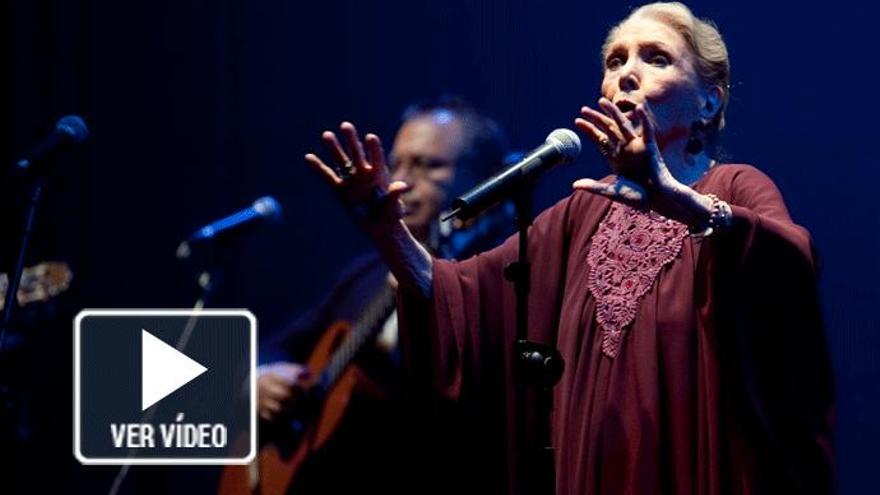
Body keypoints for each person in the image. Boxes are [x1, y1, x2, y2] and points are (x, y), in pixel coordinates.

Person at [304, 2, 834, 494]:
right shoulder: (581, 214)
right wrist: (386, 229)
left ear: (708, 98)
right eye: (615, 59)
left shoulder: (737, 187)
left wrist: (676, 199)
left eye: (656, 58)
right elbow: (455, 301)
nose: (628, 71)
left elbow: (789, 265)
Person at [256, 98, 509, 494]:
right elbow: (275, 345)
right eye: (399, 164)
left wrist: (424, 291)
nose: (402, 181)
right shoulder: (365, 272)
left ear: (484, 176)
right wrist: (261, 380)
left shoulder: (499, 270)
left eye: (429, 165)